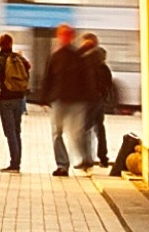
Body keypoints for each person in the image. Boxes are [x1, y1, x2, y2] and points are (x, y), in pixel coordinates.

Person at [42, 24, 90, 178]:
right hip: (60, 99)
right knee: (58, 132)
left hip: (75, 100)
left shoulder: (77, 56)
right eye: (62, 35)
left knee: (76, 132)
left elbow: (86, 79)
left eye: (67, 35)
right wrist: (44, 97)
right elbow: (48, 77)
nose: (64, 38)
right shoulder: (56, 56)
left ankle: (84, 158)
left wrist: (87, 97)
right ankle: (62, 165)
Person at [0, 33, 30, 172]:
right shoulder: (19, 58)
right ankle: (17, 162)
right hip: (19, 97)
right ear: (11, 44)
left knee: (9, 132)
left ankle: (14, 163)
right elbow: (27, 69)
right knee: (17, 131)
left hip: (6, 98)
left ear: (0, 44)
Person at [79, 33, 116, 172]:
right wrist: (103, 95)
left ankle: (87, 159)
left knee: (84, 129)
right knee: (99, 128)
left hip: (89, 100)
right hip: (99, 100)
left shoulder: (88, 61)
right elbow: (109, 82)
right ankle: (103, 158)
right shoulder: (102, 64)